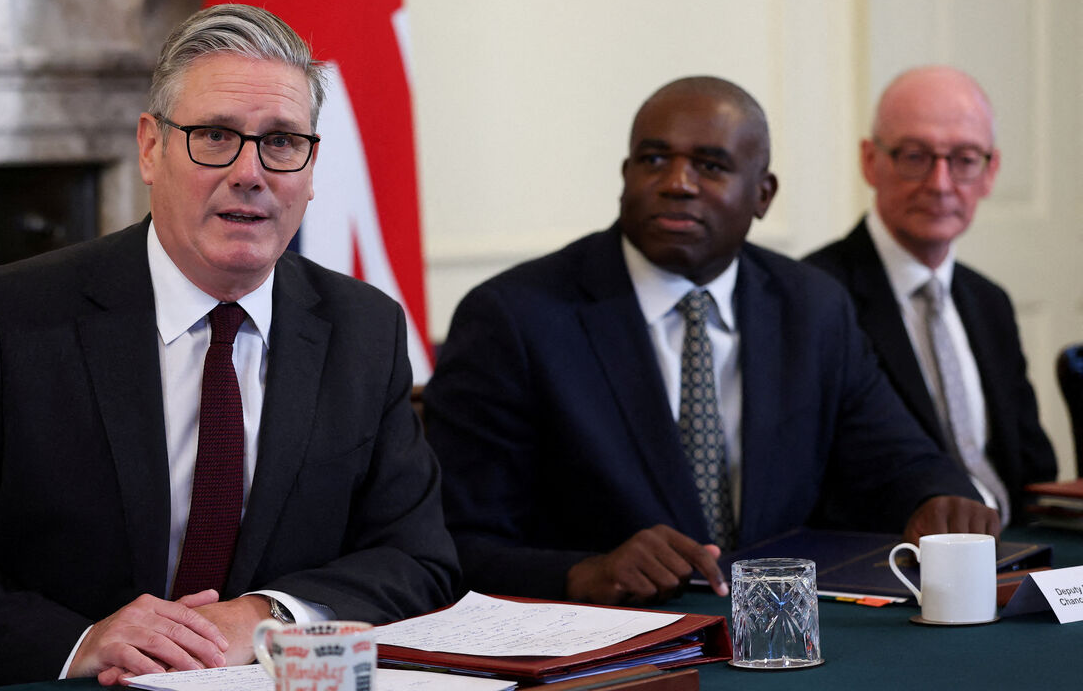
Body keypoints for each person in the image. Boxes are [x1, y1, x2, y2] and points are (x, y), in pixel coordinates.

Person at [0, 4, 458, 691]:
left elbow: (417, 556)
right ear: (151, 148)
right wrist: (81, 642)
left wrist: (263, 615)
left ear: (310, 170)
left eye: (281, 142)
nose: (251, 171)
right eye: (215, 135)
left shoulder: (362, 328)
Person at [424, 75, 997, 608]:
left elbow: (897, 457)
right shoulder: (516, 318)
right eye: (654, 159)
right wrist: (585, 572)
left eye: (710, 165)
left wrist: (936, 497)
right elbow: (451, 542)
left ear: (763, 194)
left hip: (780, 634)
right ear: (626, 175)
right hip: (618, 655)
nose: (676, 183)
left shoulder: (812, 307)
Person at [805, 66, 1057, 525]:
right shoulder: (815, 299)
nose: (940, 184)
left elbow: (1033, 469)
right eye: (915, 156)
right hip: (892, 564)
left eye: (964, 159)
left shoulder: (989, 301)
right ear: (869, 161)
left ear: (990, 171)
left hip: (1012, 553)